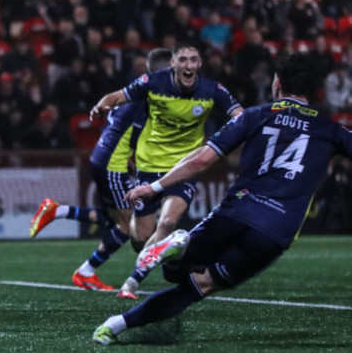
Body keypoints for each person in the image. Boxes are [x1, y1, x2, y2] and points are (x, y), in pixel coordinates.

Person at [92, 51, 352, 345]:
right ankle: (114, 327)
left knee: (172, 271)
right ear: (315, 90)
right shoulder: (332, 130)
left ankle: (177, 244)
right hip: (277, 231)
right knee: (199, 286)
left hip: (237, 210)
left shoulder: (255, 115)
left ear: (277, 84)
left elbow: (201, 160)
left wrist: (153, 188)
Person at [89, 41, 242, 299]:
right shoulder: (153, 82)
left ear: (199, 64)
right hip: (149, 166)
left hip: (184, 167)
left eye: (194, 60)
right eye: (183, 60)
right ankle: (172, 251)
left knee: (169, 221)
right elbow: (118, 96)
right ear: (173, 63)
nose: (189, 66)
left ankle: (131, 283)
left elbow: (240, 115)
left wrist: (226, 137)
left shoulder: (211, 89)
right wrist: (102, 104)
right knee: (140, 240)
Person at [29, 49, 172, 291]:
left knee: (119, 218)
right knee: (128, 226)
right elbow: (137, 136)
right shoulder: (147, 98)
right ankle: (86, 271)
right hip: (111, 165)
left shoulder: (133, 92)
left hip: (106, 158)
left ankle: (58, 210)